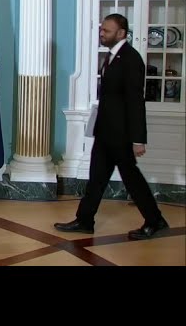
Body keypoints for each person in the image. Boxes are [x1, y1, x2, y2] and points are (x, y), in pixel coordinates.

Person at [54, 13, 169, 240]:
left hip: (122, 135)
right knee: (96, 178)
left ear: (121, 33)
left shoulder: (131, 59)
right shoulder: (111, 57)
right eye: (101, 30)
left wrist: (138, 139)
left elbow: (136, 102)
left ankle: (155, 220)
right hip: (105, 132)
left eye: (106, 31)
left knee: (131, 179)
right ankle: (85, 220)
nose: (102, 34)